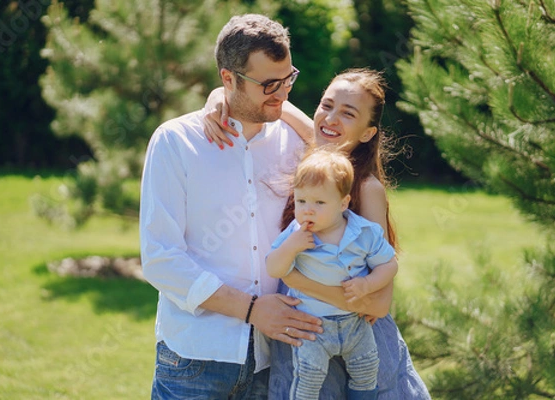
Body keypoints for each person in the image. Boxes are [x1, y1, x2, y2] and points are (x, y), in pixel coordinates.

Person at [205, 68, 431, 399]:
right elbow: (274, 103)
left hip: (358, 349)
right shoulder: (317, 159)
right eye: (327, 105)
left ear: (367, 133)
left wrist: (298, 282)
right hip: (305, 348)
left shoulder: (365, 188)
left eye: (348, 113)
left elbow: (379, 304)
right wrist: (219, 97)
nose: (331, 118)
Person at [139, 14, 325, 400]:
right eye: (269, 84)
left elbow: (341, 164)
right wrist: (253, 309)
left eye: (289, 78)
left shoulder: (295, 143)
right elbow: (160, 257)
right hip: (193, 360)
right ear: (228, 79)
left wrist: (279, 106)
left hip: (274, 361)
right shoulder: (176, 142)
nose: (283, 92)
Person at [266, 148, 398, 399]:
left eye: (319, 202)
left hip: (354, 323)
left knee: (367, 369)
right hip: (313, 326)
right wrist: (291, 247)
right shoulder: (297, 234)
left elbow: (389, 265)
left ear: (343, 203)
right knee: (308, 377)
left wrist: (368, 284)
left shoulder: (363, 232)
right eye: (301, 201)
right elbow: (274, 268)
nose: (308, 210)